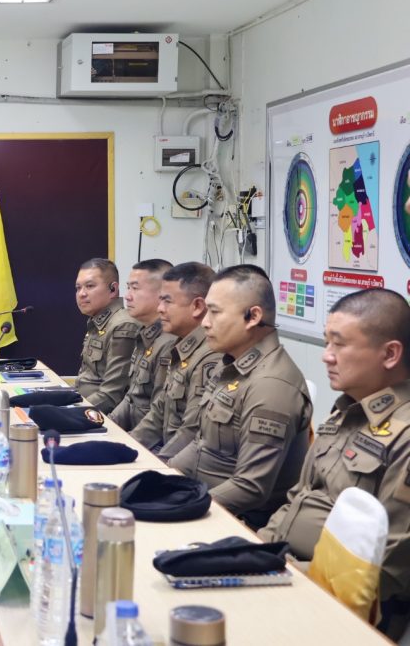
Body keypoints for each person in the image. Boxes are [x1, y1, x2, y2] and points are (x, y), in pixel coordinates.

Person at [258, 288, 410, 639]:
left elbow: (387, 567)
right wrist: (256, 551)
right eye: (326, 342)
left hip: (348, 611)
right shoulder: (347, 412)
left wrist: (282, 575)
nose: (326, 356)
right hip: (286, 570)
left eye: (339, 344)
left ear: (390, 354)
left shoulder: (404, 434)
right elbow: (297, 498)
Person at [168, 265, 311, 528]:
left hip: (241, 522)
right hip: (204, 501)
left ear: (253, 316)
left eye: (215, 312)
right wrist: (162, 475)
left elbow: (250, 487)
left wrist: (180, 508)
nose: (205, 322)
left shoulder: (271, 384)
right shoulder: (232, 365)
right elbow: (200, 444)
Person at [131, 262, 222, 459]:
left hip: (178, 463)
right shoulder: (180, 348)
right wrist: (124, 448)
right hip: (166, 455)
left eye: (167, 301)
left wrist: (158, 466)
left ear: (197, 306)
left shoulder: (210, 357)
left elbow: (191, 432)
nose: (160, 309)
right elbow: (157, 414)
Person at [108, 259, 176, 431]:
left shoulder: (168, 344)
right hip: (134, 434)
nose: (127, 296)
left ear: (162, 294)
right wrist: (105, 426)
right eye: (128, 287)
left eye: (135, 288)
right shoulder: (145, 335)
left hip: (148, 441)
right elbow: (131, 398)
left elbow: (159, 416)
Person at [74, 258, 139, 413]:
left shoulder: (122, 325)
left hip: (103, 416)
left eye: (90, 286)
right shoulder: (98, 322)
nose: (82, 294)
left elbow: (111, 395)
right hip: (84, 403)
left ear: (113, 289)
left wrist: (70, 413)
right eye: (78, 288)